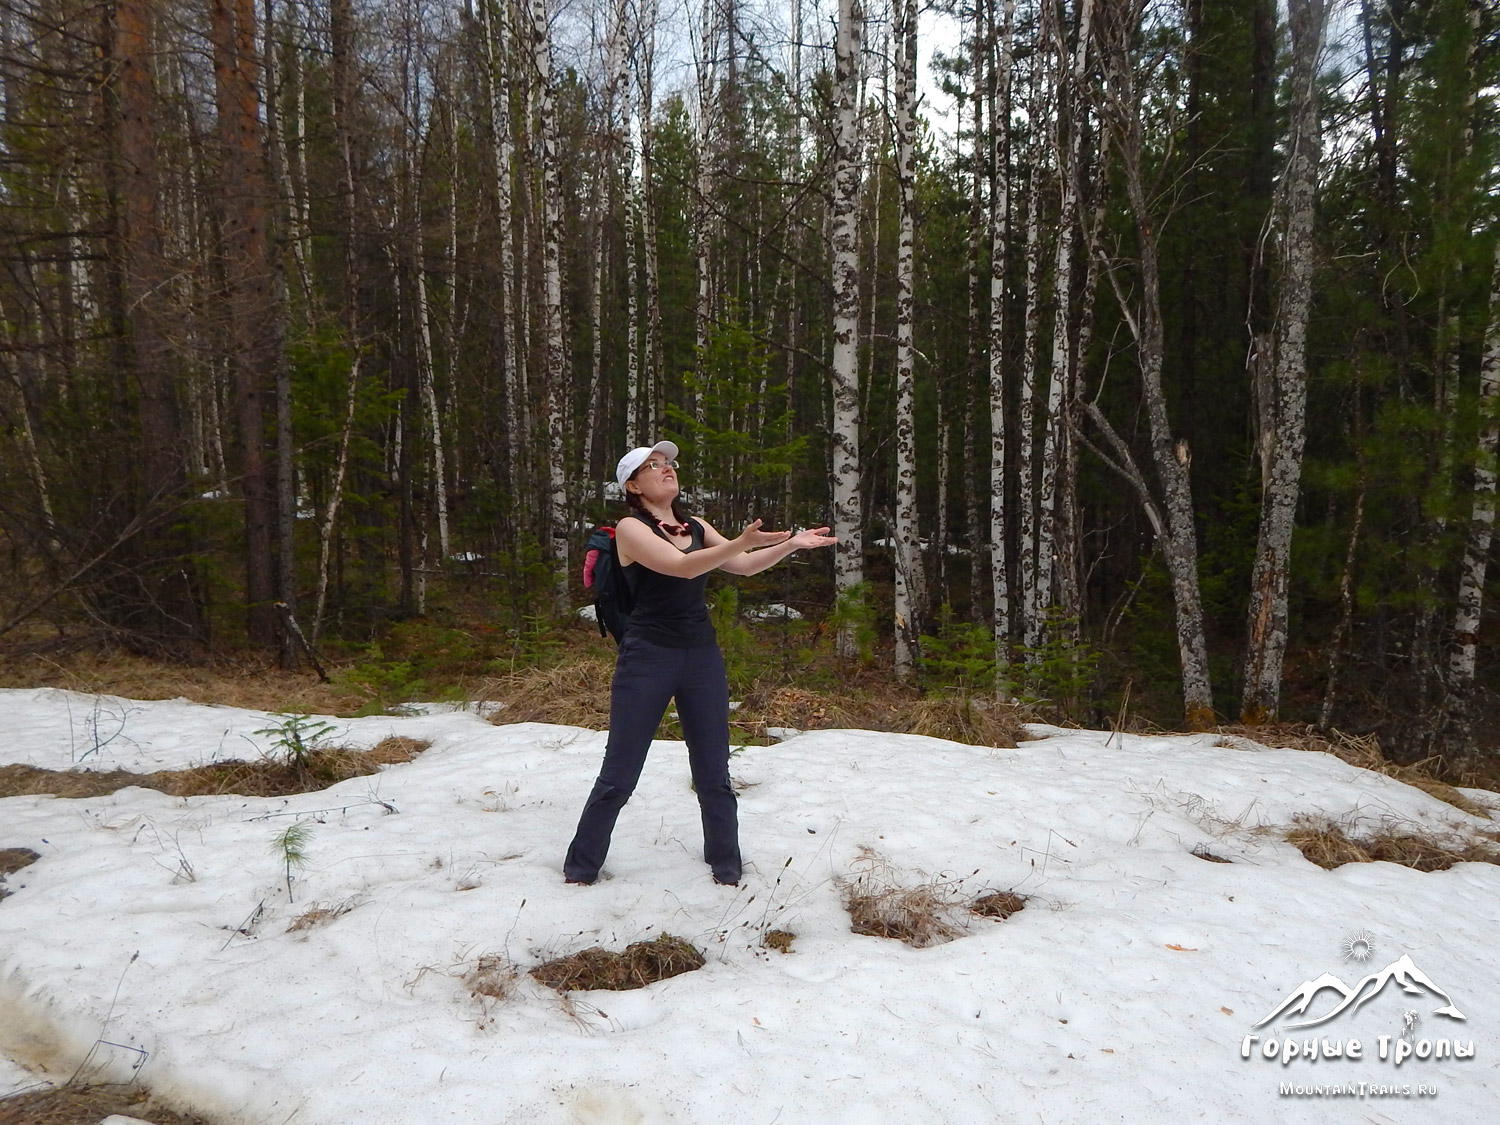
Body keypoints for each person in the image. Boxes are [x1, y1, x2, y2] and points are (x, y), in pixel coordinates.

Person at [563, 440, 836, 886]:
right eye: (653, 466)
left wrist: (791, 544)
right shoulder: (630, 528)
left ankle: (726, 866)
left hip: (701, 657)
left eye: (668, 462)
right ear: (633, 485)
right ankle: (581, 868)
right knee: (620, 774)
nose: (666, 469)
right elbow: (683, 568)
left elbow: (743, 566)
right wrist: (740, 543)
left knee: (713, 770)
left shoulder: (695, 524)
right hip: (648, 657)